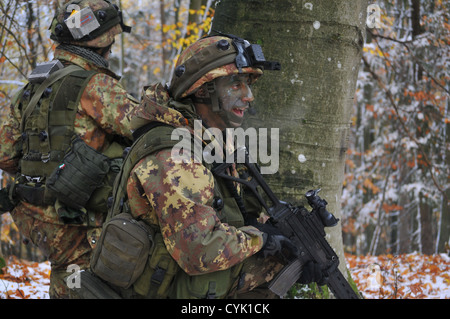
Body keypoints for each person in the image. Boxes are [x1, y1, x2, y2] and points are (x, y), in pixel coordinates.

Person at [86, 34, 323, 299]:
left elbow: (235, 210)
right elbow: (198, 249)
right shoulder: (175, 154)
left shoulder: (211, 137)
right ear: (202, 90)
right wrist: (264, 242)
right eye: (236, 84)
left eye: (247, 84)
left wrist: (290, 244)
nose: (249, 96)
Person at [0, 0, 138, 298]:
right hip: (77, 219)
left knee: (67, 279)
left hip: (32, 215)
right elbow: (142, 130)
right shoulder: (95, 85)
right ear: (103, 43)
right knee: (89, 281)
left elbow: (6, 156)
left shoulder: (30, 89)